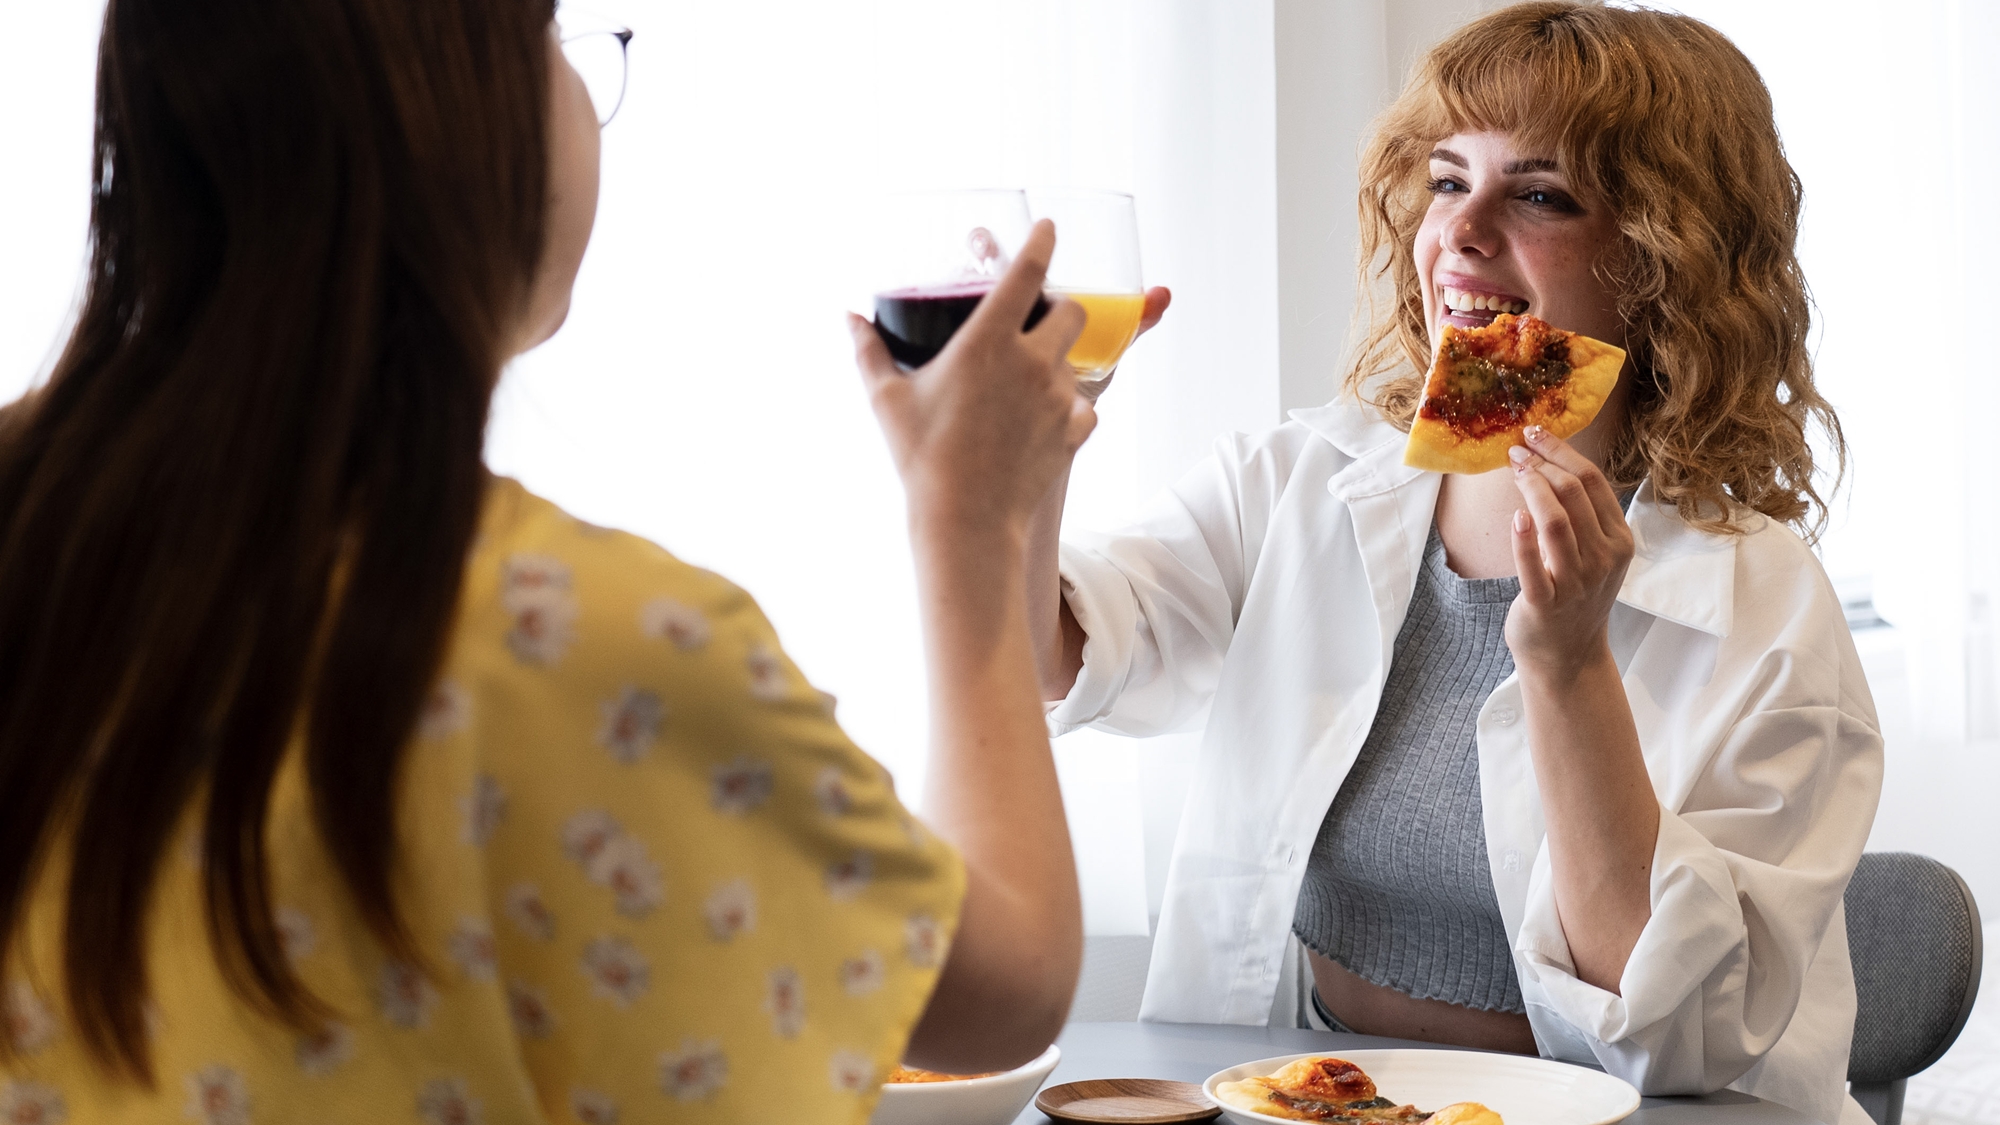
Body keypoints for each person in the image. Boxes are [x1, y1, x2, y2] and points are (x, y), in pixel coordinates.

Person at [0, 0, 1093, 1121]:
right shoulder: (601, 644)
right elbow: (1010, 990)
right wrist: (967, 520)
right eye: (551, 35)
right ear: (459, 116)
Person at [1030, 5, 1882, 1124]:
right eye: (1445, 181)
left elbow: (1673, 1030)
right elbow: (1057, 661)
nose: (1461, 233)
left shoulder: (1767, 605)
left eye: (1539, 196)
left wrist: (1568, 664)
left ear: (1662, 256)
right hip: (1317, 1096)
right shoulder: (1300, 479)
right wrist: (1023, 463)